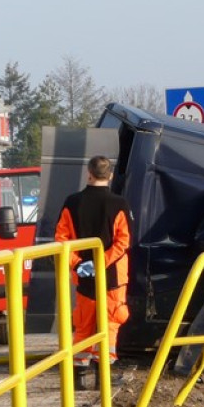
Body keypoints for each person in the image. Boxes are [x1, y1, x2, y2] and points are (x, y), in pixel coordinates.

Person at [54, 155, 132, 389]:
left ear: (89, 173)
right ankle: (102, 380)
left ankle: (77, 380)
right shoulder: (119, 204)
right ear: (109, 176)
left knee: (84, 325)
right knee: (109, 325)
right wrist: (102, 262)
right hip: (113, 278)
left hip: (84, 278)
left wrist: (78, 264)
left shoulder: (72, 202)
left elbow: (61, 240)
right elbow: (123, 241)